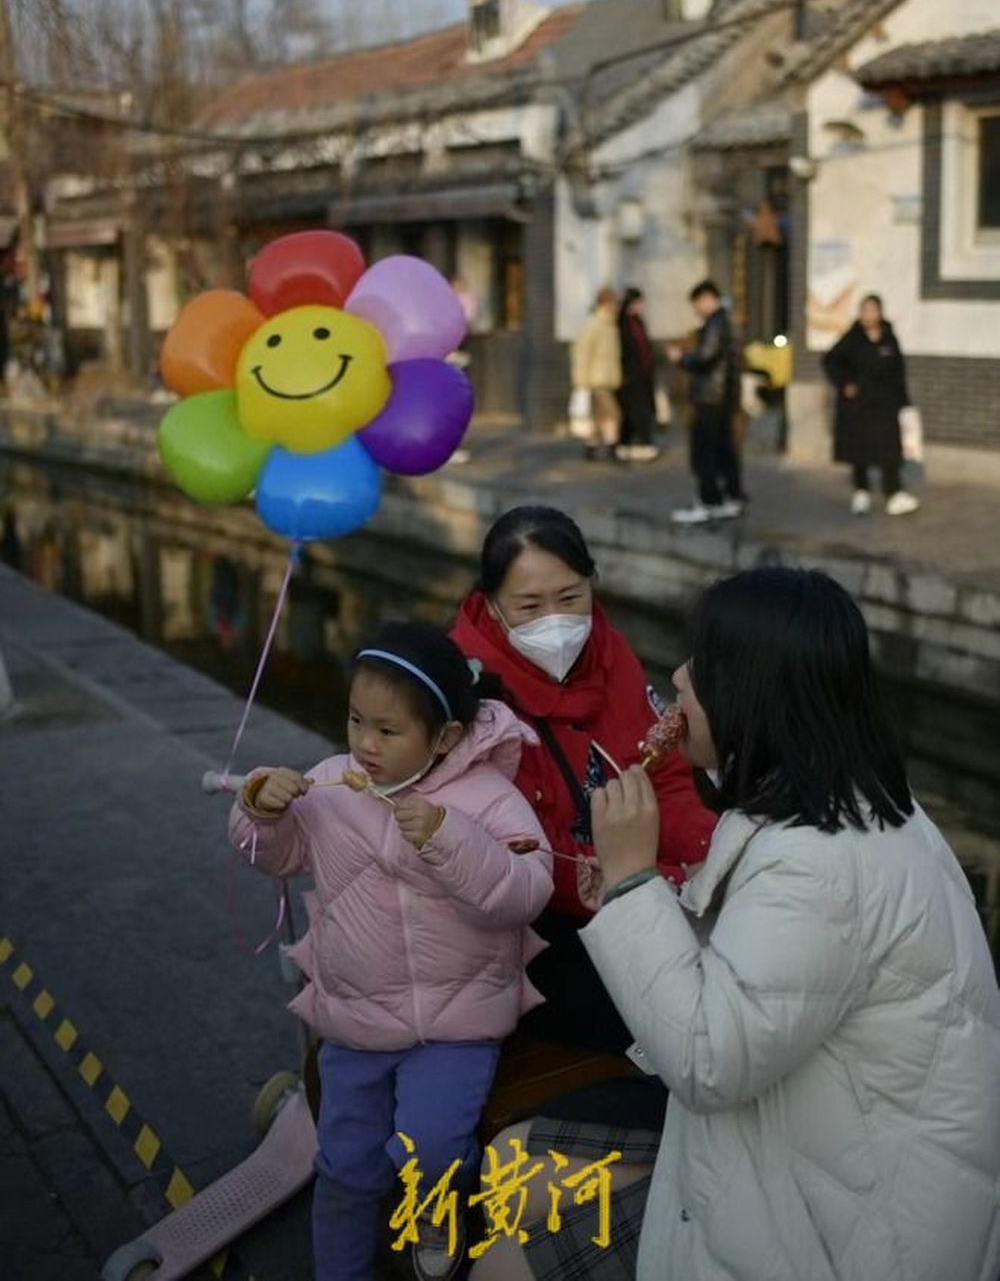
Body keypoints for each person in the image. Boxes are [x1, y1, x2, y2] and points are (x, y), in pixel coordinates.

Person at [473, 566, 1000, 1281]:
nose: (680, 680)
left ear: (751, 692)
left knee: (504, 1260)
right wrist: (637, 901)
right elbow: (759, 985)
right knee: (507, 1169)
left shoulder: (819, 865)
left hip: (849, 1220)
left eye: (703, 663)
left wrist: (633, 883)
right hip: (802, 1130)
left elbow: (706, 1060)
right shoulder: (837, 795)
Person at [230, 621, 553, 1281]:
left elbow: (523, 892)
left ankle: (435, 1209)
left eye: (387, 731)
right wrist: (259, 810)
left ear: (446, 738)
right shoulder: (330, 783)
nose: (365, 746)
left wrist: (448, 837)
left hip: (456, 1023)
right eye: (356, 722)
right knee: (344, 1169)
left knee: (432, 1149)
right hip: (357, 1019)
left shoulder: (491, 799)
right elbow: (276, 858)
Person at [451, 505, 716, 1057]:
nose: (556, 620)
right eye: (529, 606)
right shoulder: (472, 698)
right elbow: (542, 857)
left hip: (637, 881)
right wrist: (660, 887)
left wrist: (706, 861)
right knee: (663, 1024)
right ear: (492, 607)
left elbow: (661, 770)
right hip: (544, 921)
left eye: (570, 598)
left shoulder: (608, 650)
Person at [823, 293, 919, 516]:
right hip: (858, 407)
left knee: (890, 450)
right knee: (859, 450)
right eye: (864, 310)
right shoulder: (852, 338)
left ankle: (894, 494)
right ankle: (861, 492)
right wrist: (845, 384)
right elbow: (830, 361)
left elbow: (898, 372)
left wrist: (904, 403)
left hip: (885, 405)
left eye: (872, 310)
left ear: (880, 312)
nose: (868, 315)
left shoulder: (889, 338)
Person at [668, 279, 745, 523]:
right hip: (721, 396)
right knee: (723, 449)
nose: (696, 310)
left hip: (710, 396)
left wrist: (681, 358)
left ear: (707, 299)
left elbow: (705, 356)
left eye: (696, 304)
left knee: (704, 451)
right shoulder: (724, 322)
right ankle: (729, 497)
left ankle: (709, 500)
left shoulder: (715, 323)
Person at [571, 286, 622, 461]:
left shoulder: (610, 325)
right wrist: (581, 382)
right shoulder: (595, 325)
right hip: (597, 379)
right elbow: (582, 353)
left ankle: (591, 448)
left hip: (605, 378)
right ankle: (611, 448)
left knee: (598, 417)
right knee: (612, 414)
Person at [616, 287, 659, 462]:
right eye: (639, 302)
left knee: (641, 409)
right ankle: (635, 443)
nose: (642, 306)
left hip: (643, 374)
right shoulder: (622, 324)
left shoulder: (638, 322)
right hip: (629, 375)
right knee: (633, 411)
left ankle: (637, 443)